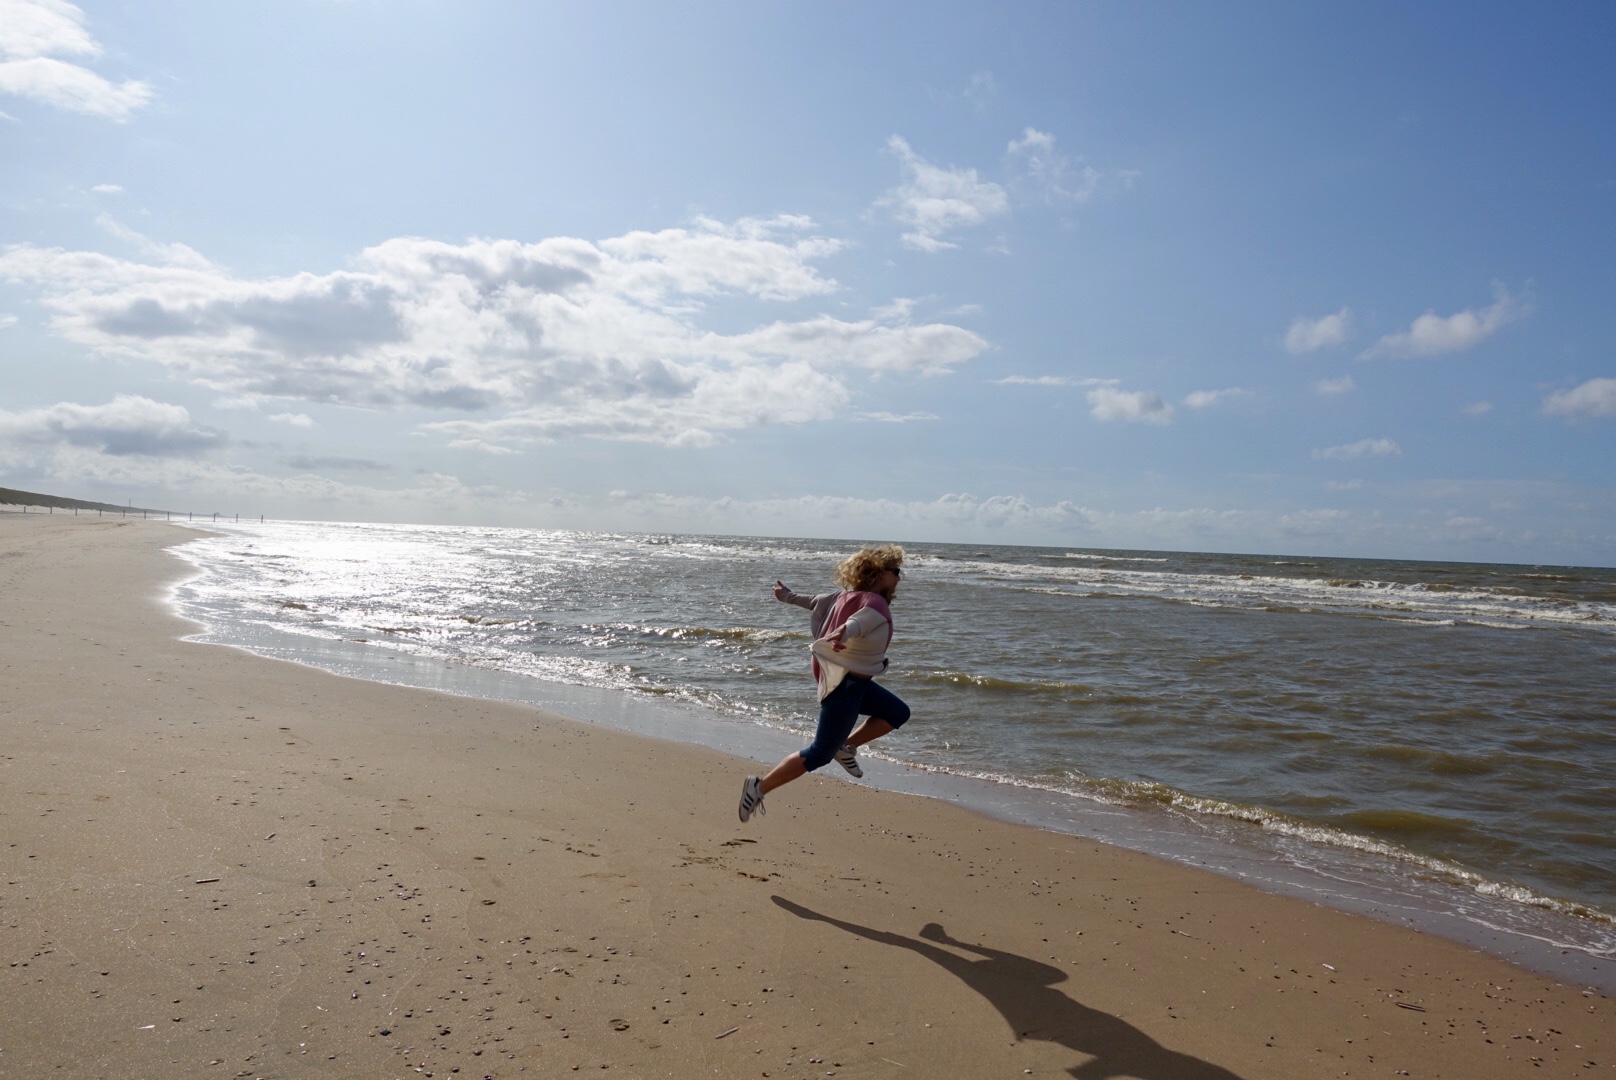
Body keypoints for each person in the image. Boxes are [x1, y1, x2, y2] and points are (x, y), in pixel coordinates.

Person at [739, 544, 911, 822]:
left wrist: (786, 596)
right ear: (880, 574)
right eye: (896, 571)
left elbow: (809, 600)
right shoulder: (875, 603)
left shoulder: (841, 596)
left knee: (898, 712)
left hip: (853, 683)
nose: (900, 577)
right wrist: (843, 633)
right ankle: (758, 788)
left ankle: (846, 747)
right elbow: (858, 623)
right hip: (845, 687)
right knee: (819, 754)